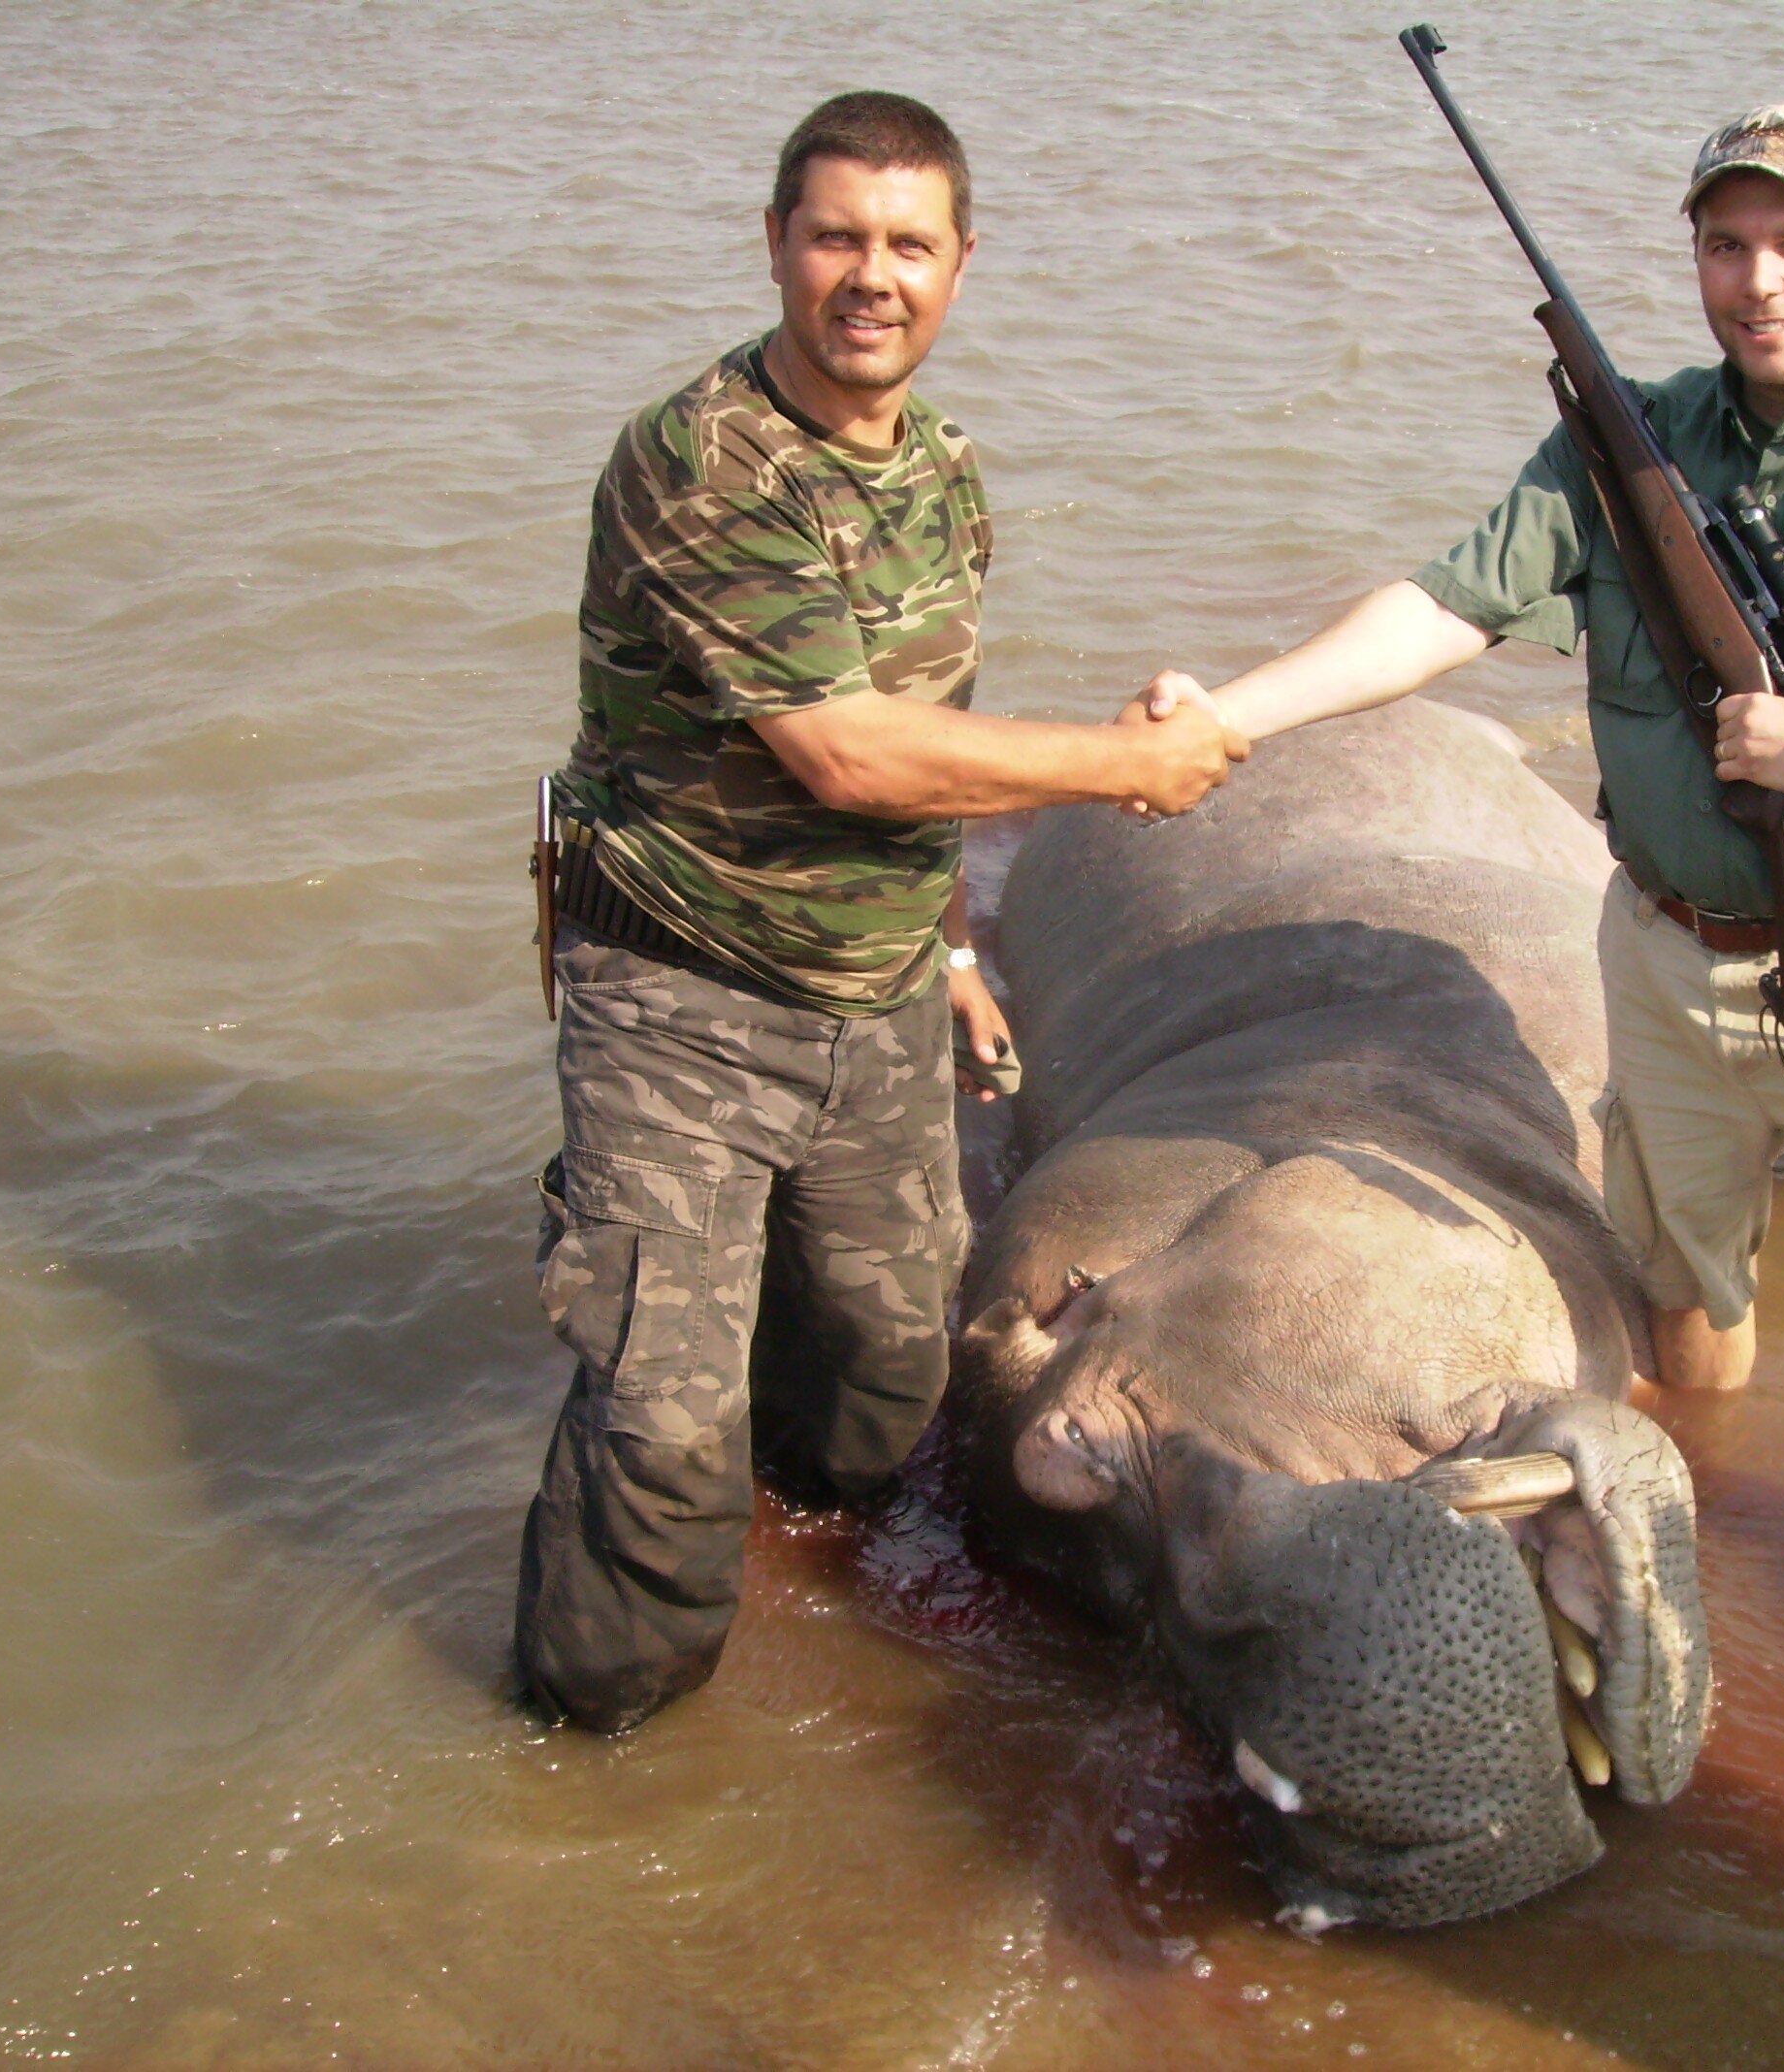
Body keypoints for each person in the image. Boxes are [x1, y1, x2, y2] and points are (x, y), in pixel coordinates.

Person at [1142, 107, 1784, 1569]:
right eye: (1726, 247)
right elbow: (1444, 611)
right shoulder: (1626, 447)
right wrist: (1224, 715)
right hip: (1668, 965)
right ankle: (1703, 1544)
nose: (1760, 283)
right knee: (1684, 1298)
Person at [517, 90, 1240, 1733]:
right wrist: (1128, 768)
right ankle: (586, 1757)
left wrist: (958, 951)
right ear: (775, 243)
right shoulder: (696, 461)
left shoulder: (942, 474)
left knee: (882, 1386)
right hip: (676, 1001)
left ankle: (793, 1605)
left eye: (907, 244)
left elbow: (931, 743)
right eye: (835, 235)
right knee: (658, 1436)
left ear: (960, 268)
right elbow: (844, 752)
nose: (870, 275)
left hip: (878, 1003)